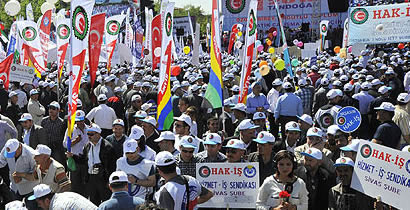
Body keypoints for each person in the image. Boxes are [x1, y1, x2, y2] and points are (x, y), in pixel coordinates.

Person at [69, 123, 116, 205]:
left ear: (98, 134)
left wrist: (109, 181)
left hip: (103, 178)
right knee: (93, 202)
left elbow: (111, 166)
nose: (89, 136)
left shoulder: (107, 147)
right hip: (91, 178)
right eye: (88, 134)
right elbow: (83, 160)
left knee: (106, 201)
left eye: (91, 134)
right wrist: (73, 156)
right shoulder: (87, 146)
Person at [0, 139, 39, 209]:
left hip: (30, 189)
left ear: (20, 147)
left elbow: (36, 175)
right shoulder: (7, 149)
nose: (12, 156)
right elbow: (1, 162)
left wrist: (22, 178)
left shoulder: (31, 154)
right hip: (14, 188)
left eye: (14, 153)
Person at [63, 110, 89, 196]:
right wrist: (75, 141)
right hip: (74, 160)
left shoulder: (89, 129)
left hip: (86, 160)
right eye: (77, 121)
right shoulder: (70, 129)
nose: (79, 123)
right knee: (75, 183)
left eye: (81, 121)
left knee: (85, 182)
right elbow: (65, 144)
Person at [28, 184, 97, 210]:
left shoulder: (57, 207)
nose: (39, 206)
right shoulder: (66, 194)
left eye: (39, 204)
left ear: (47, 201)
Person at [41, 101, 66, 168]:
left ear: (58, 110)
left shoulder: (62, 123)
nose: (51, 110)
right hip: (46, 147)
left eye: (53, 108)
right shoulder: (44, 121)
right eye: (50, 108)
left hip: (56, 148)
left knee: (57, 166)